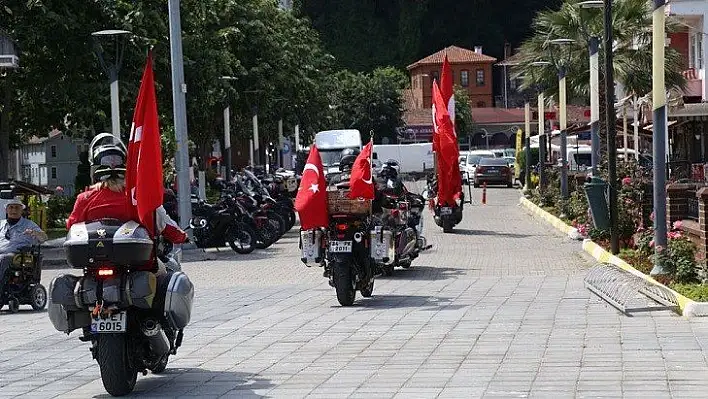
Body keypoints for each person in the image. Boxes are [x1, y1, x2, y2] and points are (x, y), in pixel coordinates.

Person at [66, 133, 187, 274]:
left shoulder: (84, 198)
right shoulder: (139, 197)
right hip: (138, 267)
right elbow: (163, 224)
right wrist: (182, 237)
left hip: (94, 267)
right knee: (167, 275)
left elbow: (71, 226)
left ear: (94, 168)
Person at [0, 199, 48, 290]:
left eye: (17, 208)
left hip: (17, 255)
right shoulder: (1, 224)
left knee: (3, 258)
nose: (14, 210)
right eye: (11, 207)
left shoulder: (28, 224)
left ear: (21, 210)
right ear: (6, 210)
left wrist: (35, 233)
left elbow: (44, 238)